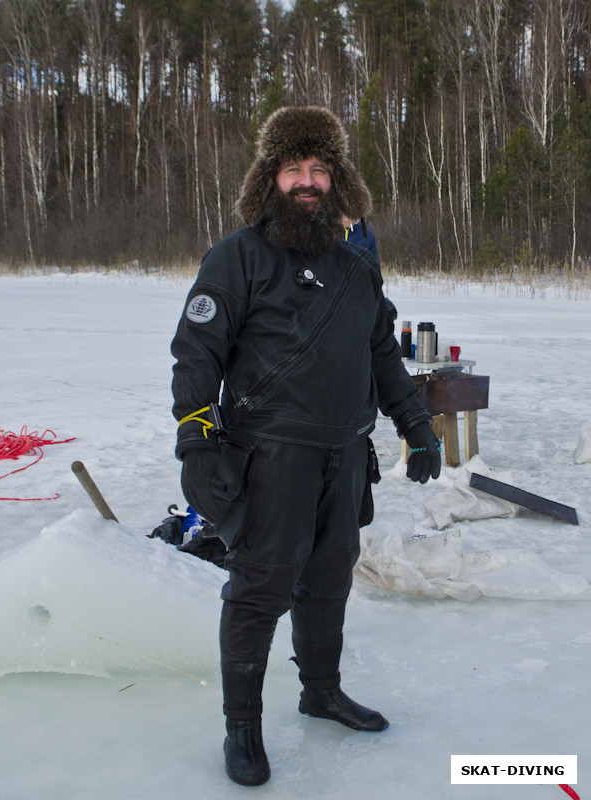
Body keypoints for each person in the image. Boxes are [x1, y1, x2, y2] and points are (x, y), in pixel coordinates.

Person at [170, 105, 441, 787]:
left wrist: (416, 427)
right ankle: (242, 728)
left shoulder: (357, 271)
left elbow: (383, 357)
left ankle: (320, 692)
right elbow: (196, 355)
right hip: (269, 458)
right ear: (271, 177)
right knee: (260, 590)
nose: (308, 180)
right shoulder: (237, 258)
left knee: (327, 583)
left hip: (345, 458)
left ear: (337, 180)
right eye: (295, 167)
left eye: (321, 168)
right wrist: (197, 444)